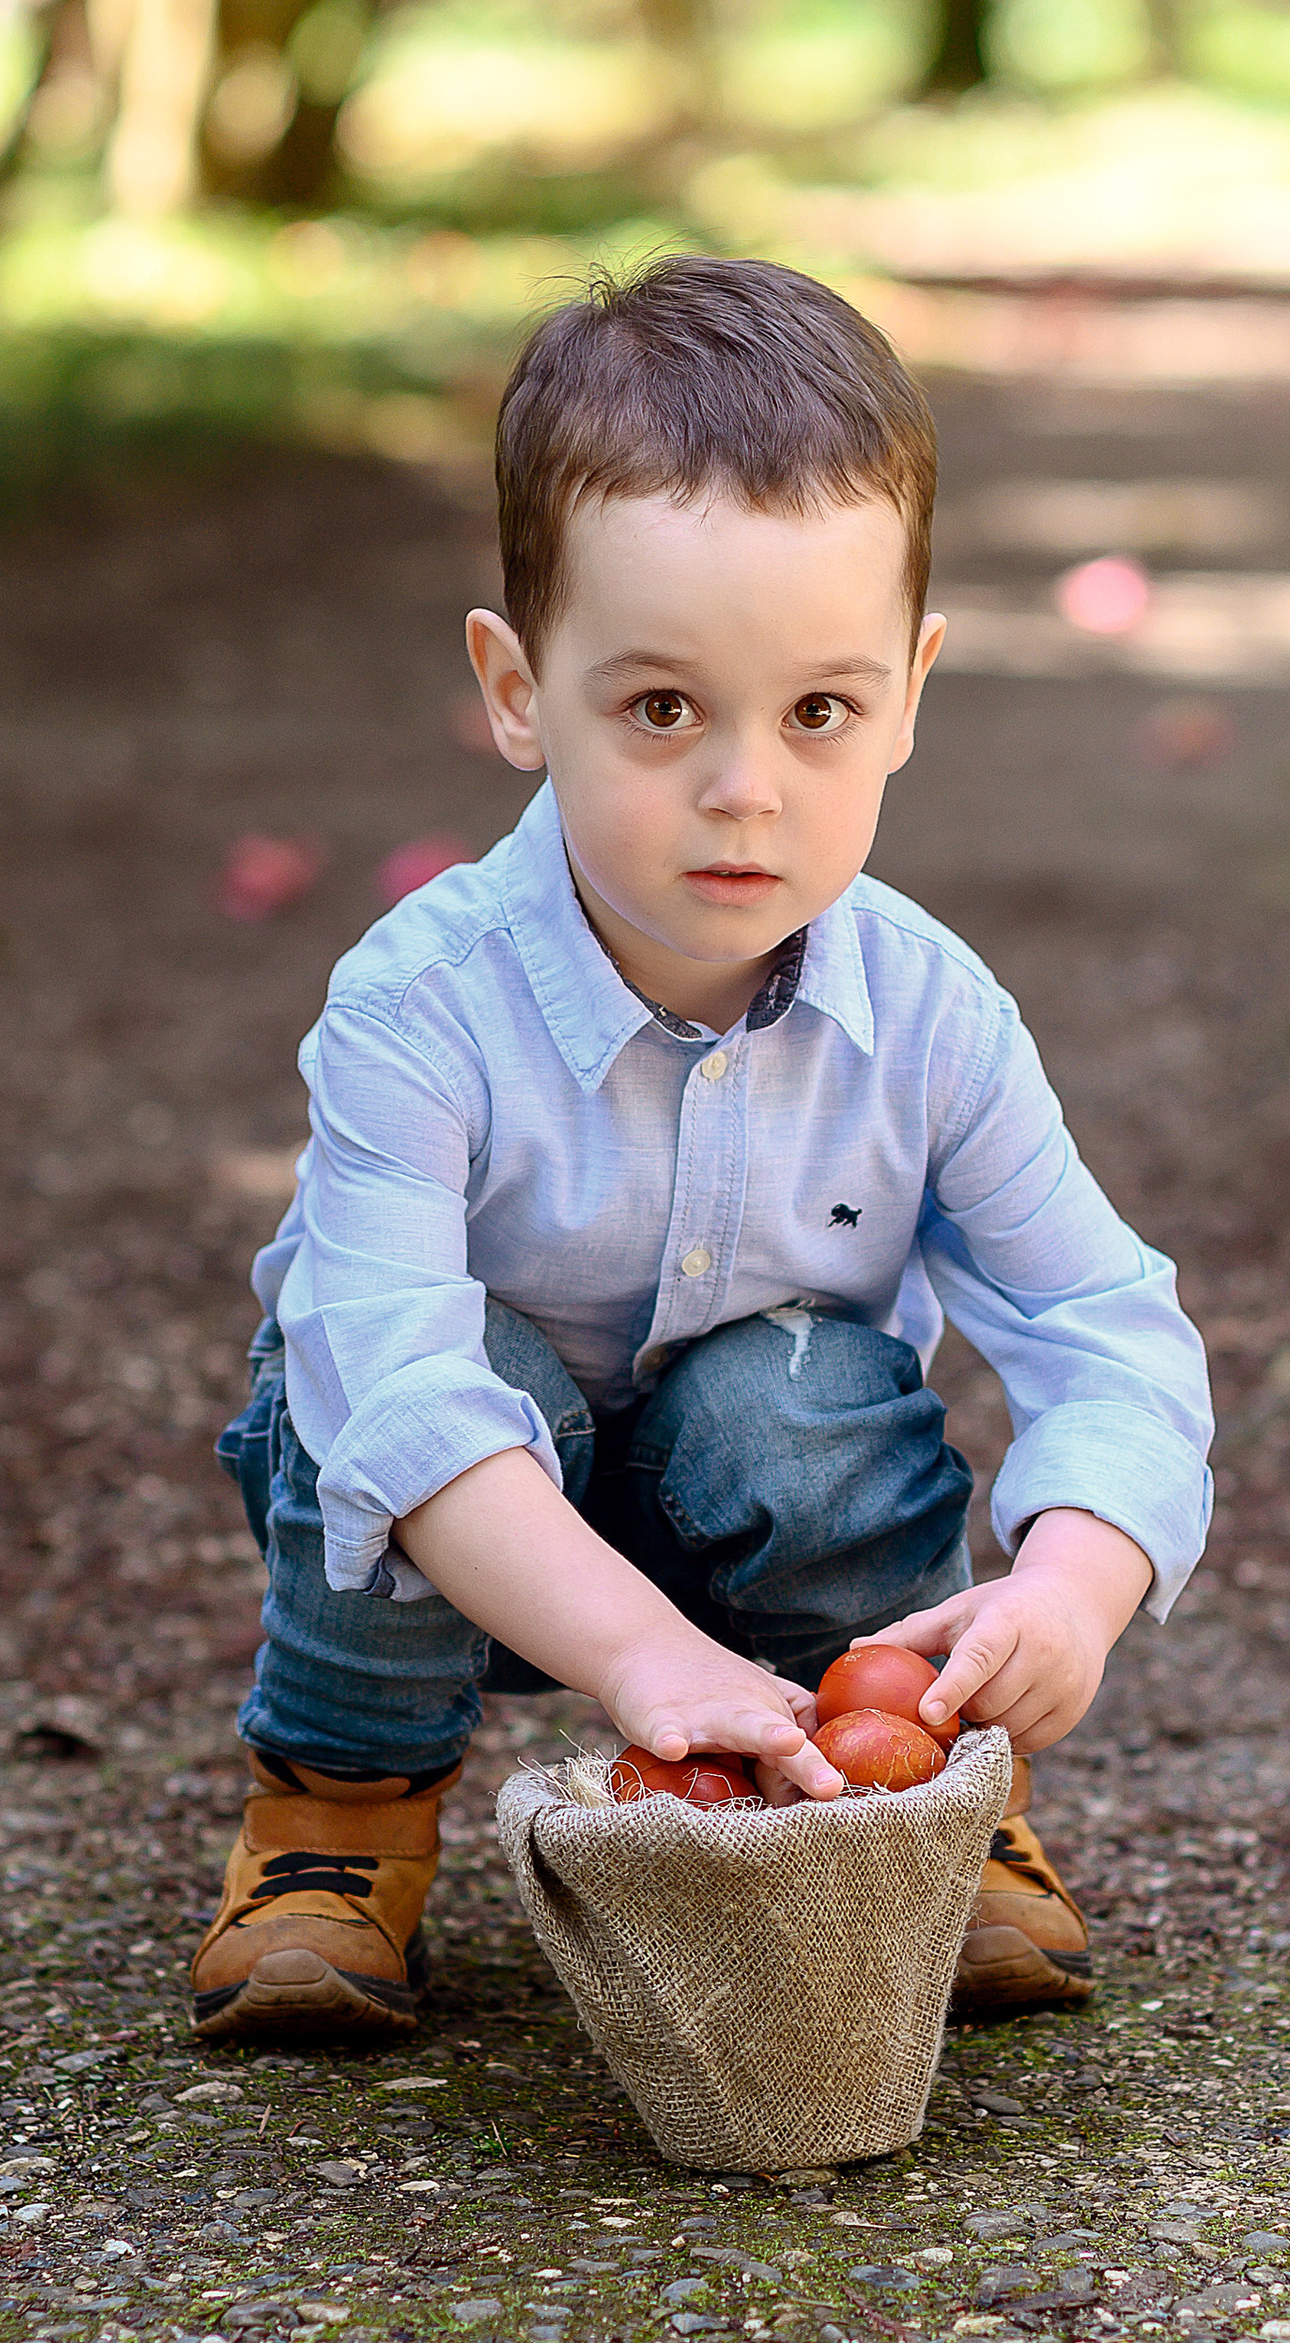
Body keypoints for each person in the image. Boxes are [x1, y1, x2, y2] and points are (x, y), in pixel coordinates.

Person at [196, 253, 1212, 2041]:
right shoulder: (417, 1004)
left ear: (909, 691)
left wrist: (1076, 1578)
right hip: (459, 1522)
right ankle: (337, 1824)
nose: (745, 787)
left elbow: (1110, 1332)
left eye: (818, 709)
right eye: (662, 708)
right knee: (411, 1380)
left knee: (801, 1395)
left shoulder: (934, 1015)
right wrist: (644, 1660)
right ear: (519, 690)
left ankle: (902, 1803)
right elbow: (396, 1391)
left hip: (754, 1521)